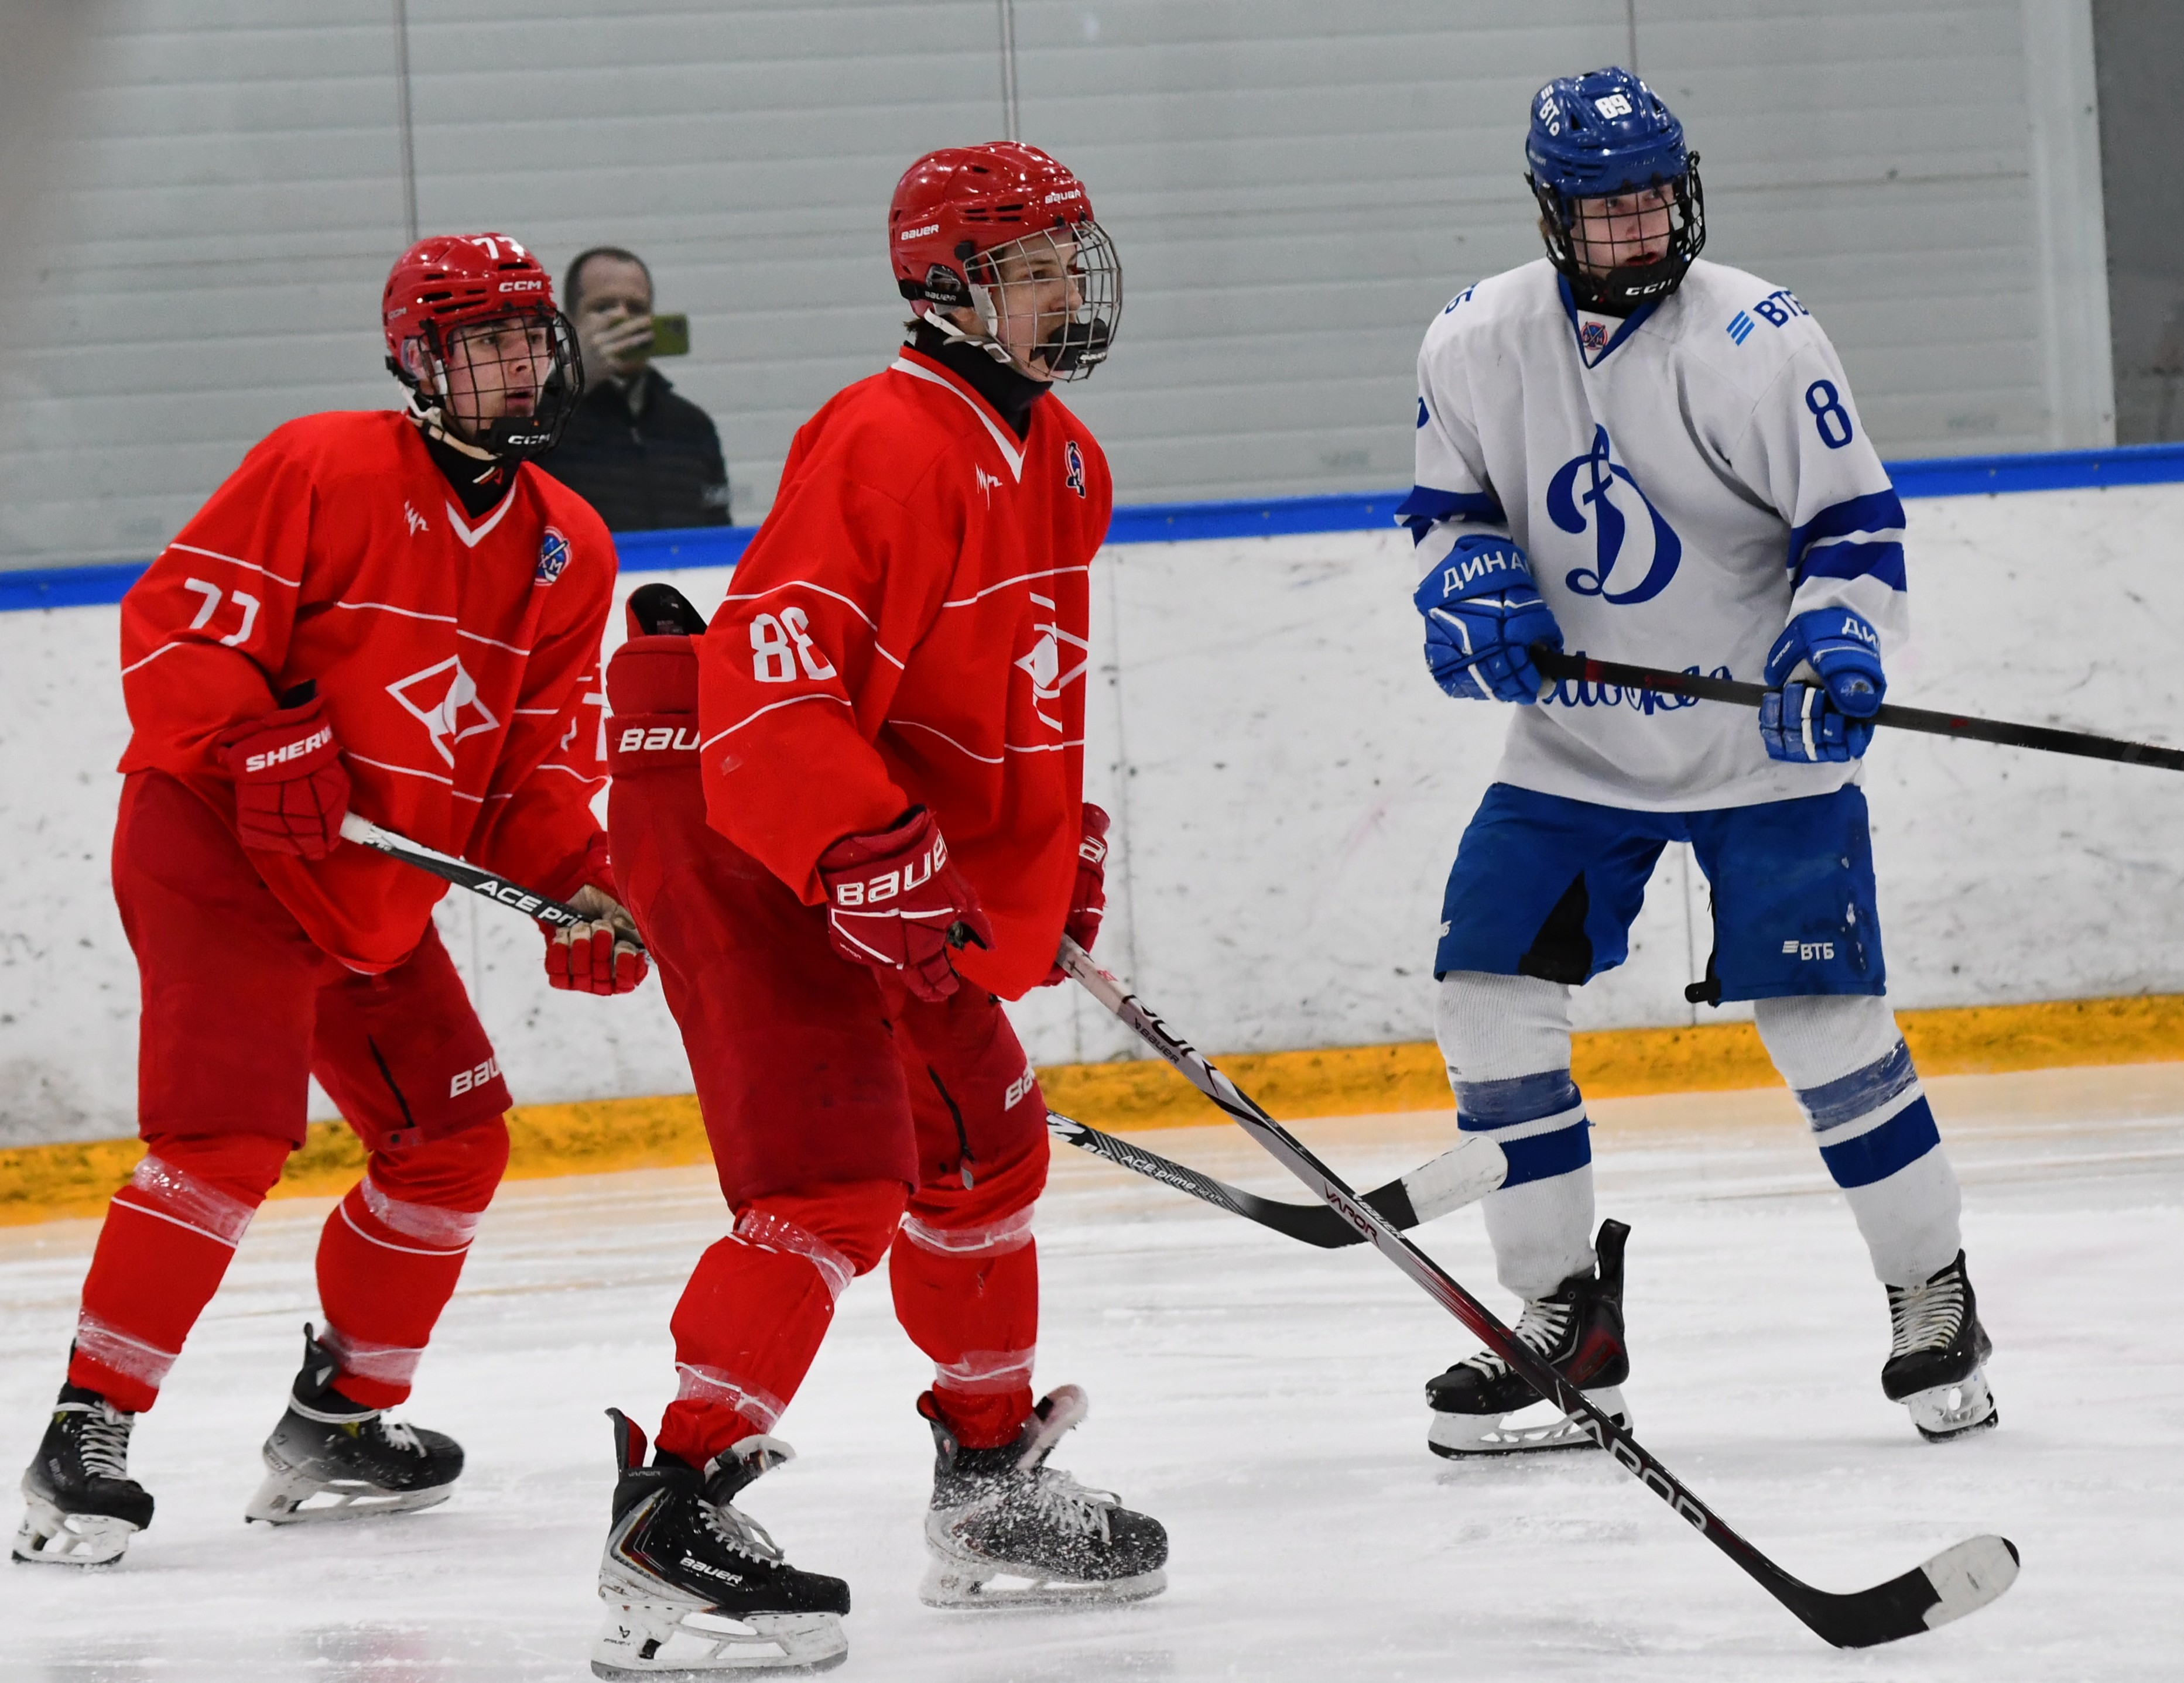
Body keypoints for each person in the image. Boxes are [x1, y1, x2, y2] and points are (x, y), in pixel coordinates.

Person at [588, 142, 1158, 1676]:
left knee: (984, 1150)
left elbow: (995, 700)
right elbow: (771, 685)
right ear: (949, 285)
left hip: (865, 840)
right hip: (753, 835)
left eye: (1063, 257)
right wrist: (864, 849)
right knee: (839, 1179)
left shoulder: (1061, 458)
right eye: (1031, 264)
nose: (1063, 289)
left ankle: (985, 1484)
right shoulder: (883, 436)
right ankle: (673, 1510)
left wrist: (1053, 840)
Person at [12, 232, 649, 1569]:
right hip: (219, 856)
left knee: (454, 1135)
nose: (513, 363)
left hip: (369, 883)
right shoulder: (322, 464)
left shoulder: (567, 547)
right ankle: (88, 1427)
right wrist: (259, 732)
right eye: (480, 341)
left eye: (527, 338)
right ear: (416, 363)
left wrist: (576, 886)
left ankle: (341, 1416)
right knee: (227, 1138)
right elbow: (172, 634)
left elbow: (531, 768)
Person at [1401, 68, 1996, 1458]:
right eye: (1606, 209)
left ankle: (1930, 1290)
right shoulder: (1473, 338)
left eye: (1653, 197)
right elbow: (1442, 510)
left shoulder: (1758, 335)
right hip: (1570, 748)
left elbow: (1848, 529)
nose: (1637, 226)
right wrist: (1463, 579)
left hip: (1758, 741)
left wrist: (1834, 645)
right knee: (1483, 996)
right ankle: (1562, 1324)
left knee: (1820, 1023)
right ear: (1552, 215)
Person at [535, 245, 734, 530]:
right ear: (572, 323)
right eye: (604, 308)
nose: (623, 318)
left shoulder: (693, 426)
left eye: (637, 308)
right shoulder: (540, 417)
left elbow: (718, 531)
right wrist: (573, 381)